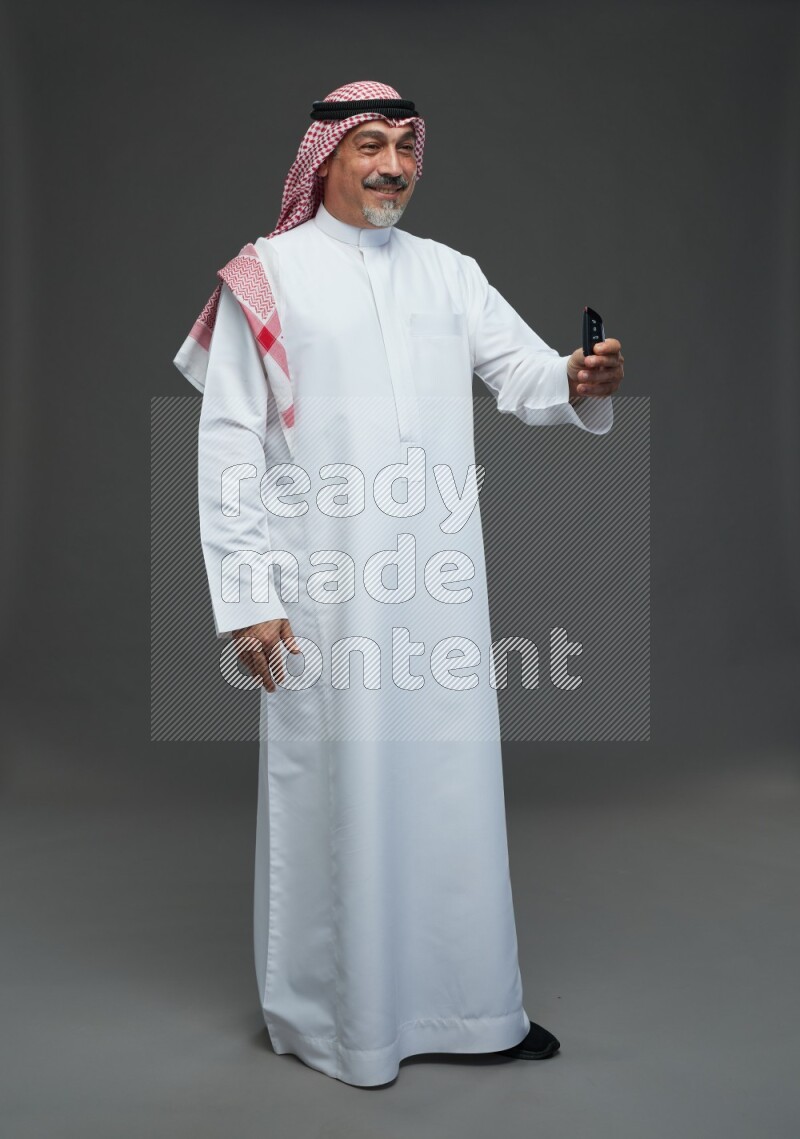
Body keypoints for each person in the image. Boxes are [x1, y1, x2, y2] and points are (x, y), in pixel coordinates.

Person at [173, 80, 624, 1087]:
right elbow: (228, 444)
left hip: (437, 586)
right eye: (368, 145)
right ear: (325, 158)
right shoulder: (266, 277)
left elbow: (522, 374)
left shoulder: (447, 272)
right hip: (323, 589)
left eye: (404, 148)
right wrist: (248, 597)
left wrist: (576, 377)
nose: (391, 166)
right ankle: (345, 1025)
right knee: (341, 791)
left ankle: (475, 1011)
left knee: (449, 787)